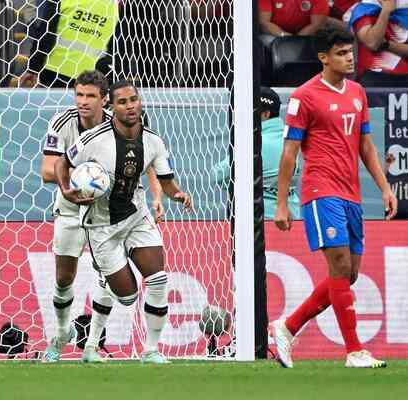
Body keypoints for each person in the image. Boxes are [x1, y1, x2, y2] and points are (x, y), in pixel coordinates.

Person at [272, 26, 397, 368]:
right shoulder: (304, 96)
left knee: (349, 274)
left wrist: (385, 187)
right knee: (340, 265)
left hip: (351, 193)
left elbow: (366, 146)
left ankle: (288, 326)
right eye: (341, 53)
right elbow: (289, 152)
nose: (349, 58)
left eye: (350, 52)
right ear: (323, 58)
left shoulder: (357, 92)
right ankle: (355, 351)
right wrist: (283, 203)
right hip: (320, 190)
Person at [54, 80, 192, 364]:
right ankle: (107, 285)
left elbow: (166, 182)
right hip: (101, 225)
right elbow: (62, 163)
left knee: (158, 279)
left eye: (134, 100)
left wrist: (178, 195)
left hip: (135, 215)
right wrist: (67, 188)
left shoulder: (153, 141)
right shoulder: (94, 138)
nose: (130, 106)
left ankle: (151, 350)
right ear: (111, 106)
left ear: (140, 102)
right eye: (123, 102)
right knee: (127, 296)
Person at [212, 87, 301, 219]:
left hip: (257, 221)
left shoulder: (254, 143)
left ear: (266, 114)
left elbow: (219, 175)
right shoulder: (292, 139)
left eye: (252, 111)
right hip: (292, 216)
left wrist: (241, 185)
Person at [20, 0, 119, 88]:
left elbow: (46, 35)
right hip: (93, 76)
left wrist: (33, 68)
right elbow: (115, 47)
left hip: (56, 70)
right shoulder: (113, 5)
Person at [350, 0, 408, 86]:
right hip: (373, 77)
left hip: (405, 76)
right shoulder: (364, 9)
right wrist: (386, 11)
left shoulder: (404, 11)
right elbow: (373, 43)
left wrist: (386, 45)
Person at [259, 0, 329, 37]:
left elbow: (316, 24)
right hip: (275, 35)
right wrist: (283, 35)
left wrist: (297, 40)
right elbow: (264, 22)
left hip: (306, 36)